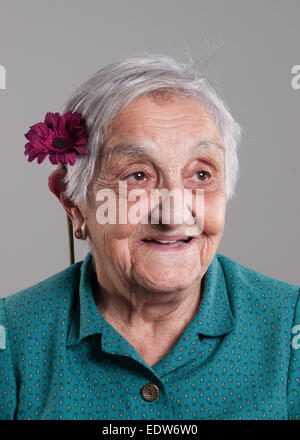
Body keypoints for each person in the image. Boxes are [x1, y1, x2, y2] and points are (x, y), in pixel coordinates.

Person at [0, 54, 299, 420]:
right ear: (73, 203)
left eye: (201, 175)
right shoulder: (10, 340)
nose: (173, 215)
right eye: (137, 176)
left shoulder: (290, 329)